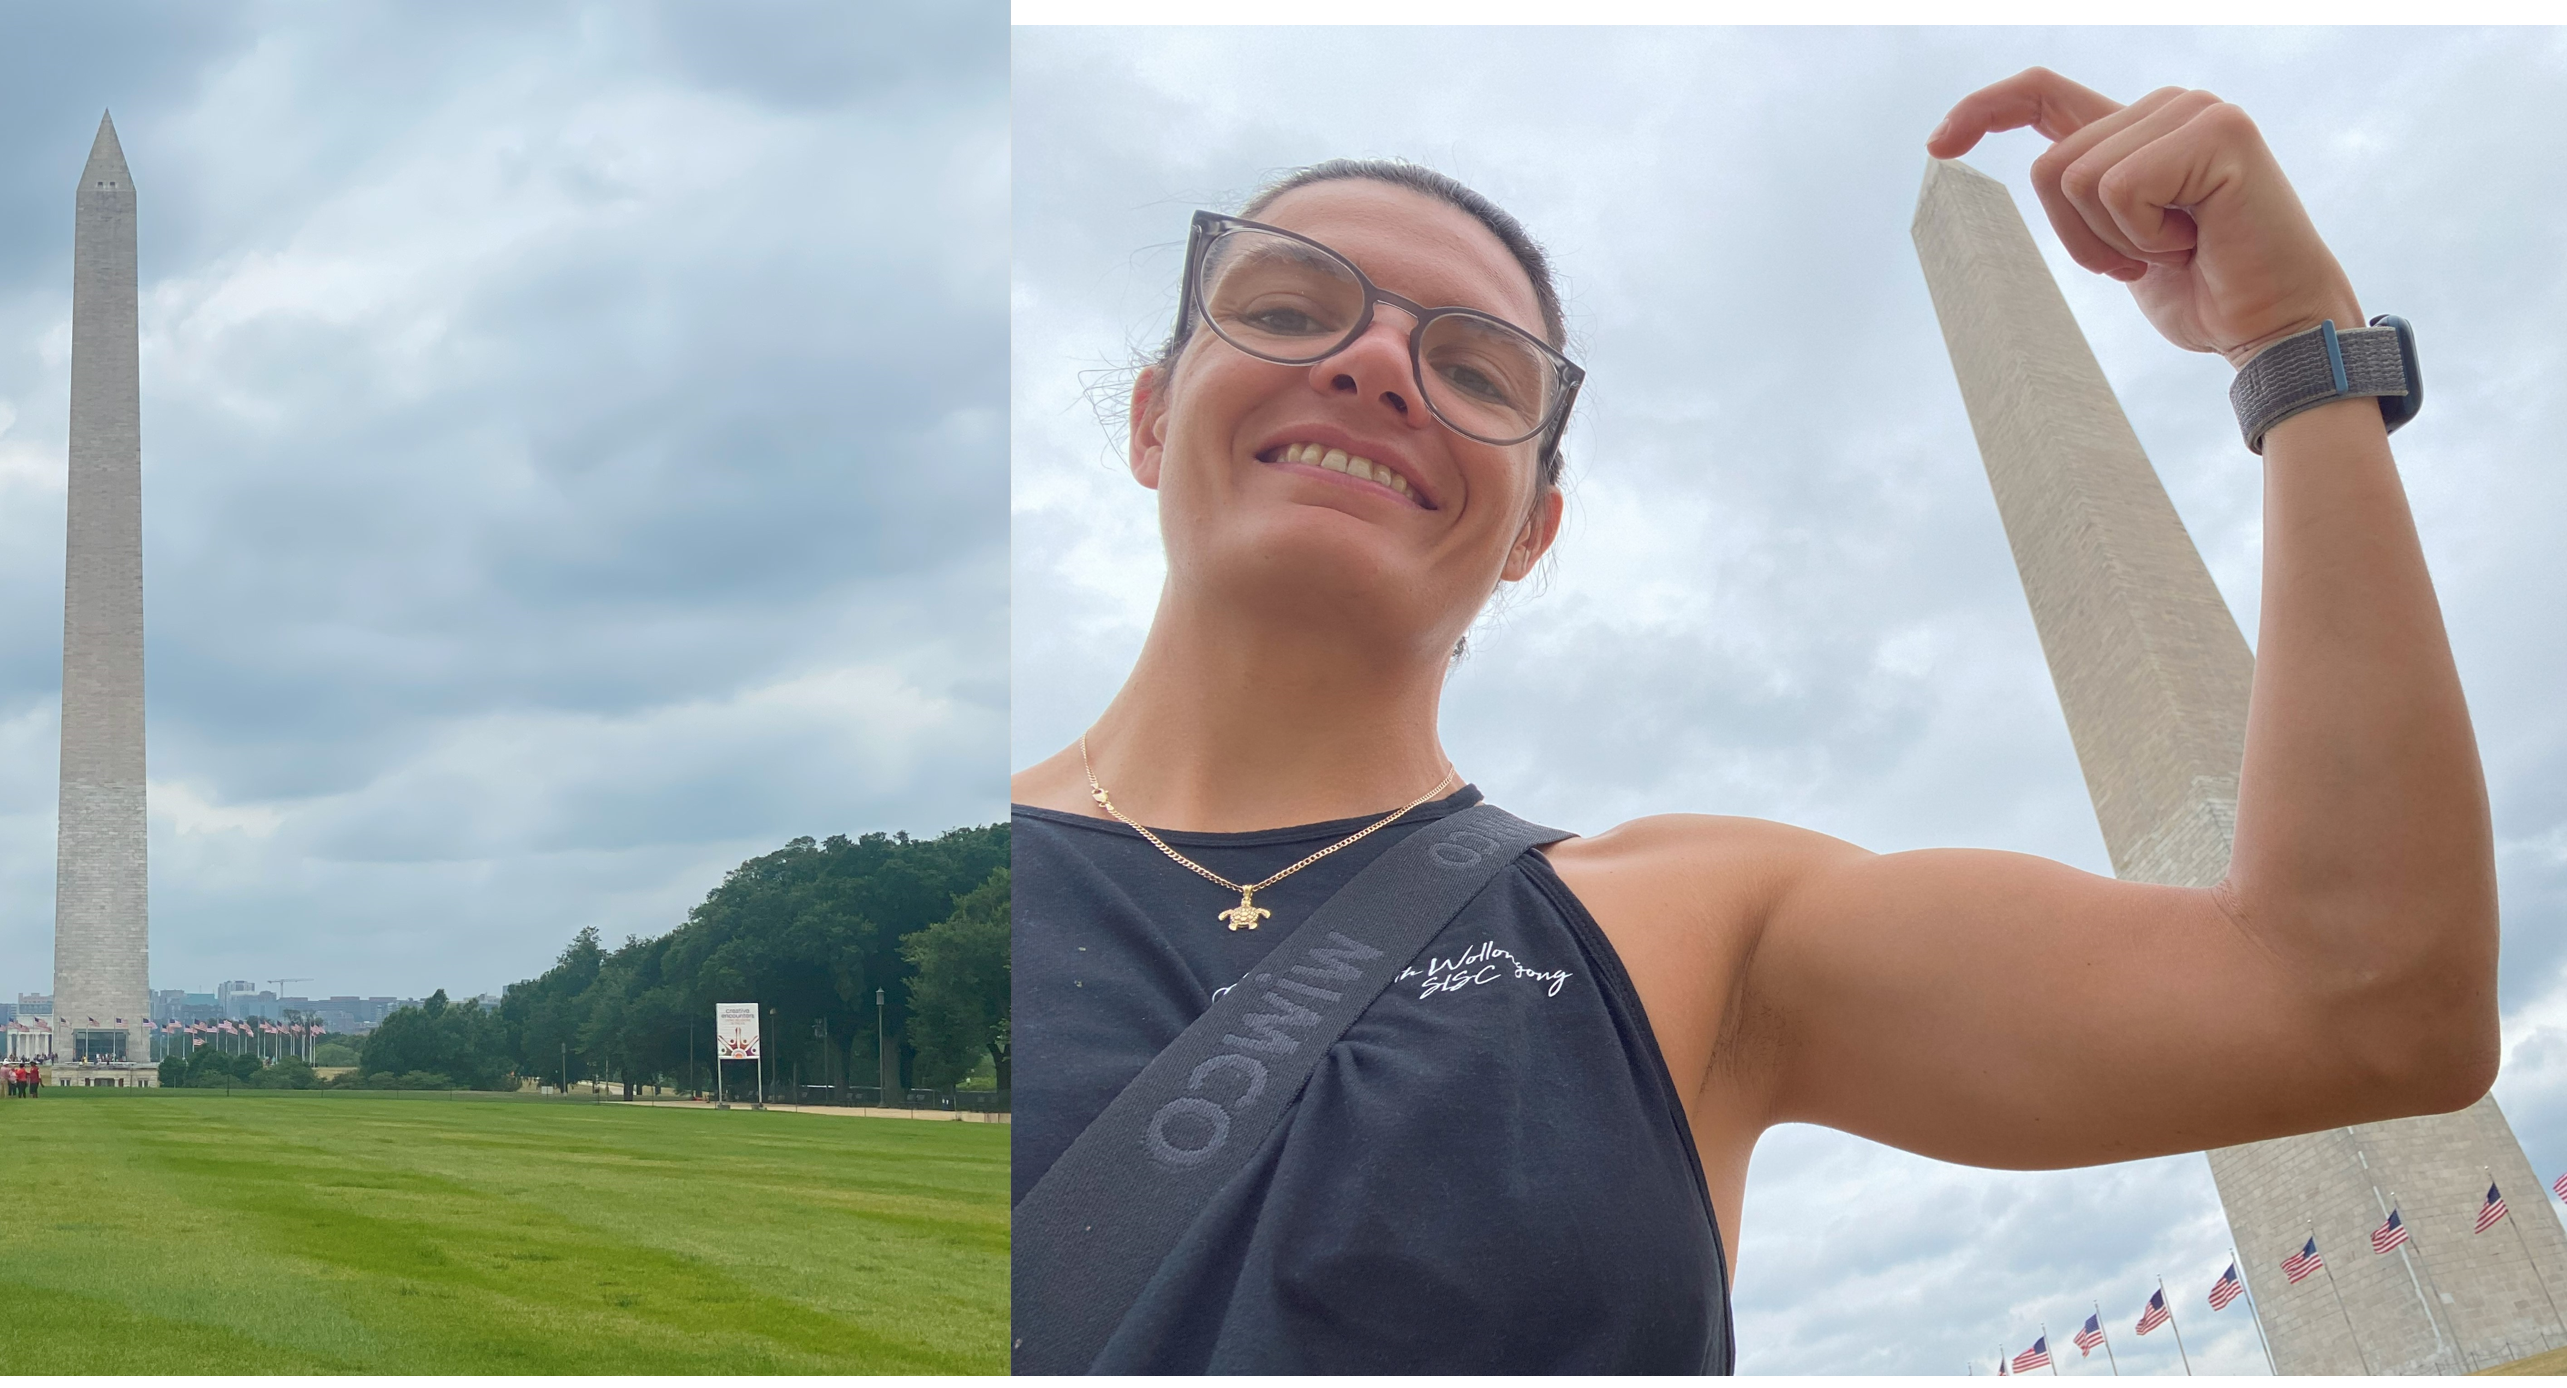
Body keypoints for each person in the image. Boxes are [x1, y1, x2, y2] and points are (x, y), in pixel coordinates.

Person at [1009, 70, 2492, 1375]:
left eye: (1472, 370)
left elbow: (2362, 1005)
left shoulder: (1698, 928)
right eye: (1285, 307)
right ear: (1150, 417)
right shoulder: (913, 907)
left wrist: (2301, 353)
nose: (1374, 362)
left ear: (1534, 529)